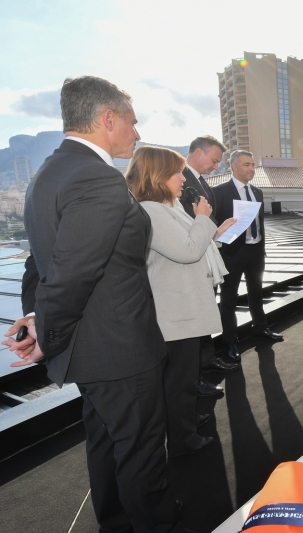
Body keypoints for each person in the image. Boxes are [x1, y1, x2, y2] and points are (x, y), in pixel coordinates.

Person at [4, 76, 182, 531]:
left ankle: (116, 524)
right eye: (132, 122)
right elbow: (69, 275)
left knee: (105, 445)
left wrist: (34, 318)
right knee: (143, 458)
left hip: (90, 356)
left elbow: (39, 262)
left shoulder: (47, 172)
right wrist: (46, 335)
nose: (137, 134)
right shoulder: (97, 178)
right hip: (120, 352)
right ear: (108, 119)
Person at [126, 146, 236, 457]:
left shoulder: (165, 207)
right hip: (176, 313)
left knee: (183, 379)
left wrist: (212, 230)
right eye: (176, 172)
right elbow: (187, 251)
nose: (181, 177)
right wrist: (202, 219)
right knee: (179, 382)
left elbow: (188, 243)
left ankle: (183, 429)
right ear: (157, 175)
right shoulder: (151, 210)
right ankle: (182, 441)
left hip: (182, 309)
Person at [180, 135, 237, 397]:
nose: (216, 167)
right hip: (191, 260)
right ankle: (196, 376)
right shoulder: (178, 180)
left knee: (205, 313)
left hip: (205, 256)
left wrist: (218, 230)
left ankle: (206, 360)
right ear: (198, 153)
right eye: (214, 160)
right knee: (195, 319)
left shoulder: (201, 182)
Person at [213, 150, 283, 363]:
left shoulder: (258, 193)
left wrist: (261, 248)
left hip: (255, 252)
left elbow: (259, 223)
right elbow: (213, 225)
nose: (251, 169)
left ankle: (260, 329)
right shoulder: (219, 193)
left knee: (256, 293)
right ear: (234, 166)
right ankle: (230, 341)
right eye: (246, 165)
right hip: (231, 254)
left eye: (252, 164)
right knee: (228, 299)